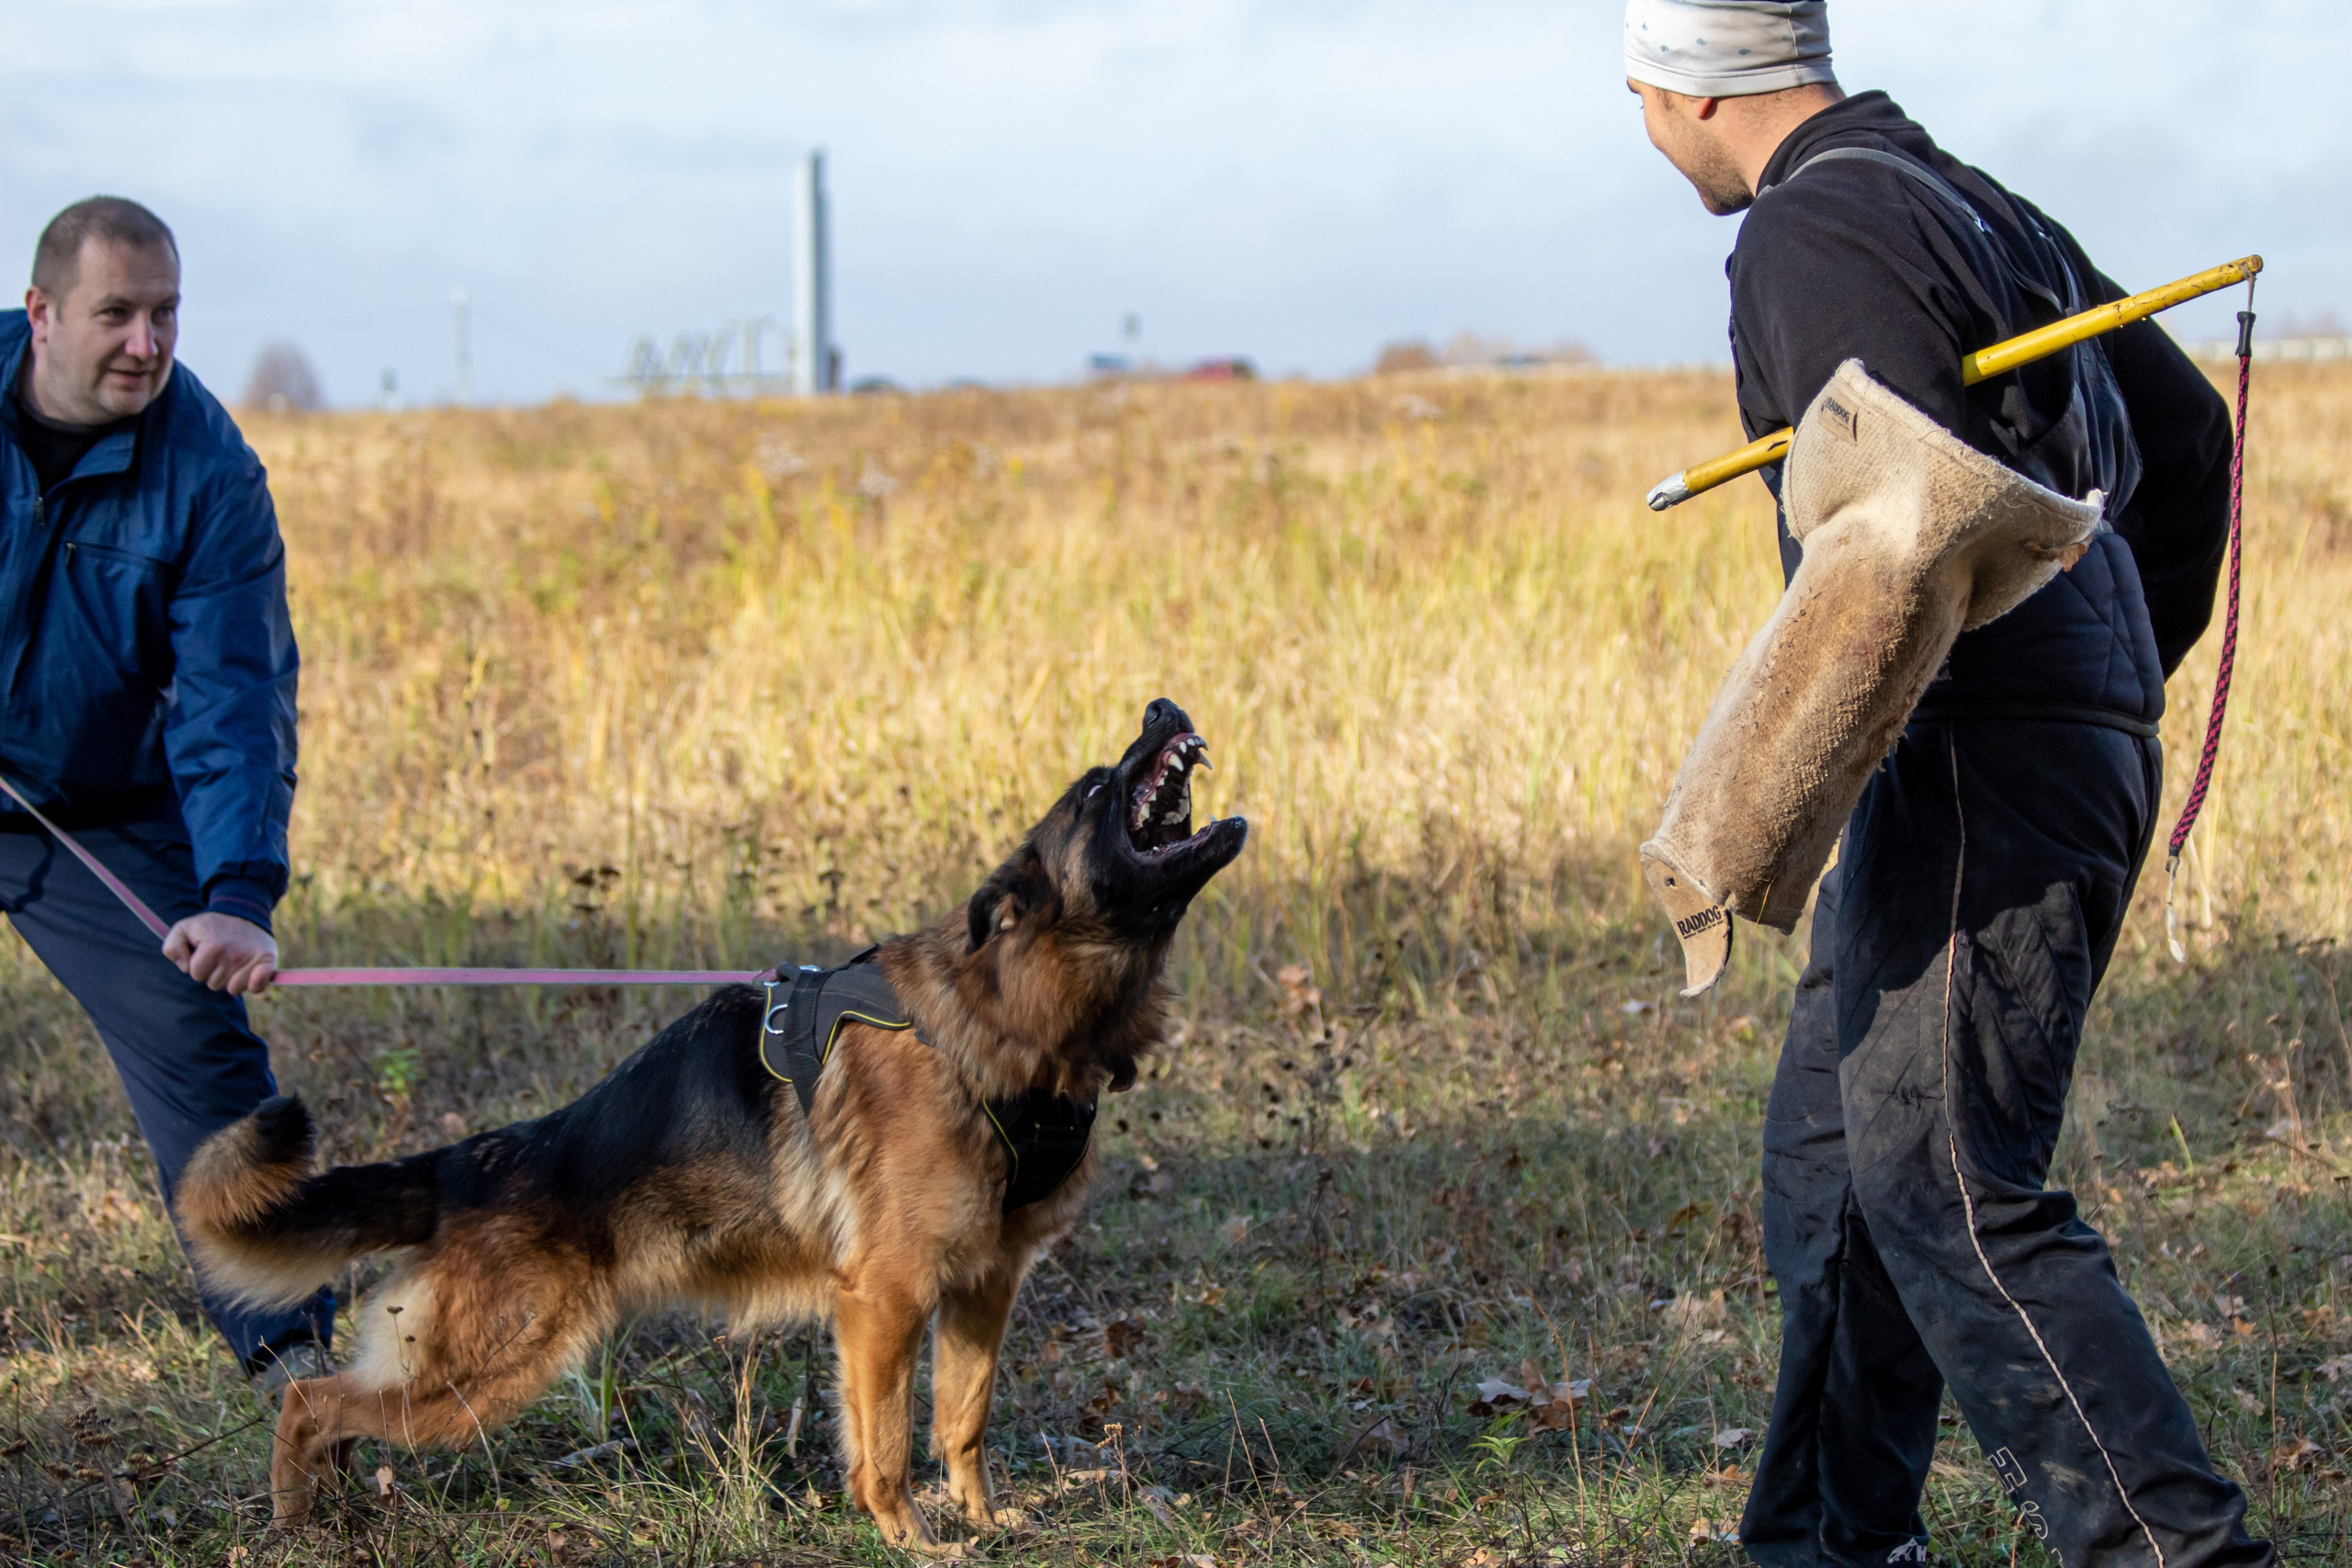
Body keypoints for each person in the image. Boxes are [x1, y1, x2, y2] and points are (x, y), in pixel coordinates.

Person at [1623, 5, 2270, 1565]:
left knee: (1950, 1189)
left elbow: (1894, 544)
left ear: (1677, 85)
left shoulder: (1814, 226)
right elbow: (2182, 437)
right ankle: (1825, 1547)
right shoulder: (1977, 202)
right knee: (1839, 1172)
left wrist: (1735, 817)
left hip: (1978, 739)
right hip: (2015, 732)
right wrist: (2113, 669)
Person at [0, 197, 329, 1392]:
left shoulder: (209, 473)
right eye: (117, 315)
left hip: (100, 805)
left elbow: (234, 692)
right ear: (42, 315)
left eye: (167, 315)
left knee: (206, 1063)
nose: (147, 343)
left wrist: (238, 888)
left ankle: (298, 1367)